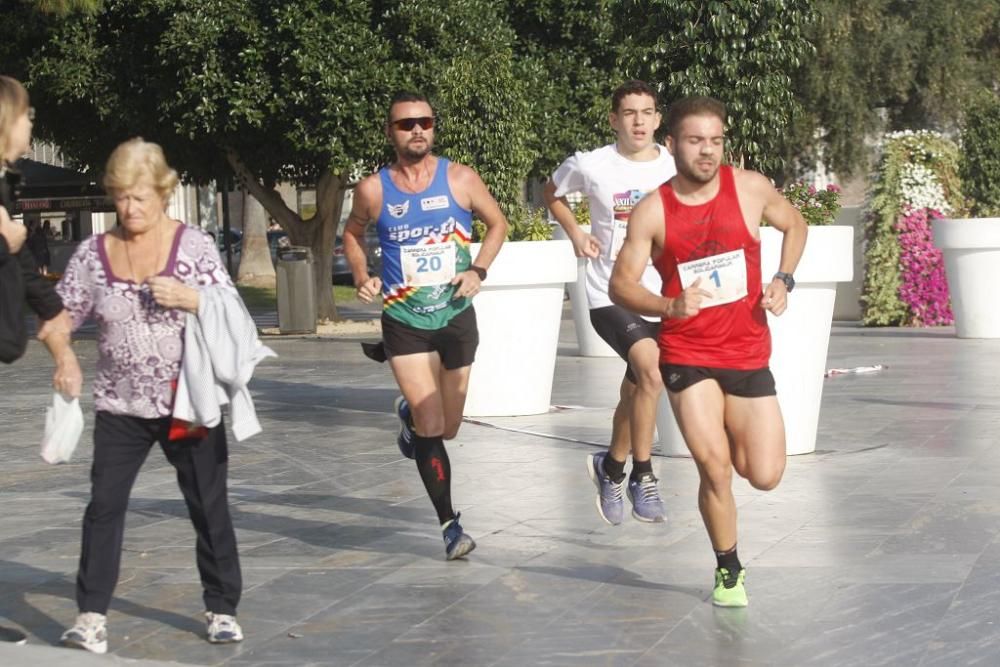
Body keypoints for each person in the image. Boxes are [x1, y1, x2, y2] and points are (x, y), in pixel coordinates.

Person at [609, 96, 807, 607]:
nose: (707, 151)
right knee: (714, 466)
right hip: (688, 355)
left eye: (715, 141)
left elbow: (795, 224)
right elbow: (620, 285)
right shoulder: (653, 211)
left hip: (746, 354)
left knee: (763, 474)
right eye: (696, 141)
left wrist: (784, 278)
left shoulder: (750, 188)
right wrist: (666, 304)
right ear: (671, 144)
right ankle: (728, 570)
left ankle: (733, 458)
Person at [54, 139, 245, 653]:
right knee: (104, 506)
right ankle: (90, 616)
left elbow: (231, 308)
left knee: (207, 504)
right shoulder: (92, 255)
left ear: (164, 192)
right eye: (120, 198)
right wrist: (65, 356)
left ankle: (222, 608)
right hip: (120, 403)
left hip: (187, 401)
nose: (130, 208)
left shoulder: (196, 246)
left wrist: (192, 298)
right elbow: (59, 317)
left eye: (140, 197)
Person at [344, 91, 507, 560]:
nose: (417, 129)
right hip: (404, 320)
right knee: (433, 424)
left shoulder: (459, 178)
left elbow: (498, 223)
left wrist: (478, 270)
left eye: (425, 121)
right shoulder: (373, 189)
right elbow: (351, 234)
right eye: (405, 124)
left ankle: (409, 421)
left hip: (455, 314)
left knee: (448, 427)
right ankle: (451, 526)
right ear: (390, 132)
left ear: (433, 127)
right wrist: (361, 274)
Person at [544, 80, 677, 525]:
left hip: (660, 296)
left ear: (659, 119)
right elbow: (553, 193)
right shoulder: (591, 164)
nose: (639, 121)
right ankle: (643, 473)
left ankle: (610, 466)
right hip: (608, 293)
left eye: (647, 112)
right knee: (651, 372)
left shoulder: (675, 167)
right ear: (613, 119)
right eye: (629, 113)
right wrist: (576, 232)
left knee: (638, 388)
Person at [0, 75, 81, 646]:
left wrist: (58, 332)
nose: (33, 126)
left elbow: (26, 271)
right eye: (27, 116)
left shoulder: (7, 186)